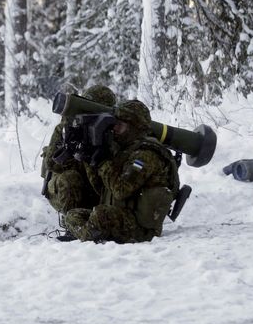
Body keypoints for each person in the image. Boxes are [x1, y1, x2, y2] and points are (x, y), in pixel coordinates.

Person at [63, 99, 180, 243]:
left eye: (121, 125)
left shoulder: (146, 155)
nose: (115, 129)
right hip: (120, 215)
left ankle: (87, 235)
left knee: (100, 215)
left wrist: (103, 162)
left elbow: (120, 189)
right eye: (115, 124)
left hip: (140, 227)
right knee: (72, 215)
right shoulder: (124, 149)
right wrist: (91, 161)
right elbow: (103, 189)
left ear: (134, 127)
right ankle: (88, 233)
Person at [40, 85, 117, 215]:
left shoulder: (113, 129)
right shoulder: (67, 127)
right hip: (68, 189)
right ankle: (72, 222)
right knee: (70, 179)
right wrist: (75, 152)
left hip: (97, 189)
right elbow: (51, 163)